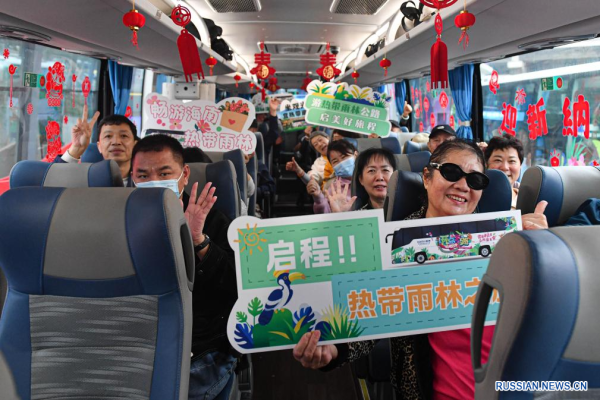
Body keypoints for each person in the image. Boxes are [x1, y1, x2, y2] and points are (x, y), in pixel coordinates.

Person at [293, 139, 549, 399]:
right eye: (451, 172)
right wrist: (333, 349)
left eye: (475, 180)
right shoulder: (397, 244)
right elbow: (370, 313)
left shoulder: (505, 242)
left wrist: (545, 252)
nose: (463, 186)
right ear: (426, 177)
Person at [130, 134, 238, 400]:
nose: (154, 181)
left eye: (164, 173)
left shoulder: (211, 218)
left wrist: (198, 241)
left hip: (199, 345)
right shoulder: (121, 218)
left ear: (184, 174)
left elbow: (237, 286)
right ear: (131, 177)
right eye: (143, 176)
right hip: (136, 339)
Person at [59, 109, 139, 186]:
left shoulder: (144, 181)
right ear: (99, 146)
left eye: (124, 136)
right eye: (108, 136)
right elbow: (55, 183)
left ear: (135, 145)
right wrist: (76, 149)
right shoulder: (85, 180)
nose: (116, 142)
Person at [308, 140, 357, 214]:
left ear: (356, 155)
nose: (341, 163)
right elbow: (325, 214)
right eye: (335, 161)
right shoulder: (333, 189)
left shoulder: (371, 178)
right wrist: (319, 200)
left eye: (344, 157)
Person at [484, 135, 524, 209]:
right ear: (486, 164)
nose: (505, 167)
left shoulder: (529, 201)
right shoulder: (474, 199)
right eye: (498, 160)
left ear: (520, 165)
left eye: (512, 161)